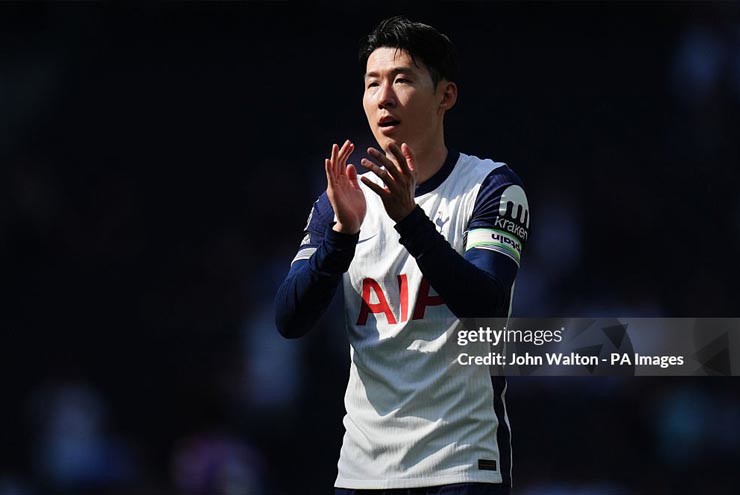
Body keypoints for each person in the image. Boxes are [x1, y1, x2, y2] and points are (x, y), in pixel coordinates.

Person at [275, 16, 530, 495]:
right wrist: (341, 237)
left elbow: (486, 306)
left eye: (402, 79)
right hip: (363, 473)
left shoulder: (490, 186)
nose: (384, 97)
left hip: (461, 466)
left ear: (445, 96)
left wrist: (410, 220)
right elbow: (289, 319)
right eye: (372, 83)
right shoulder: (342, 201)